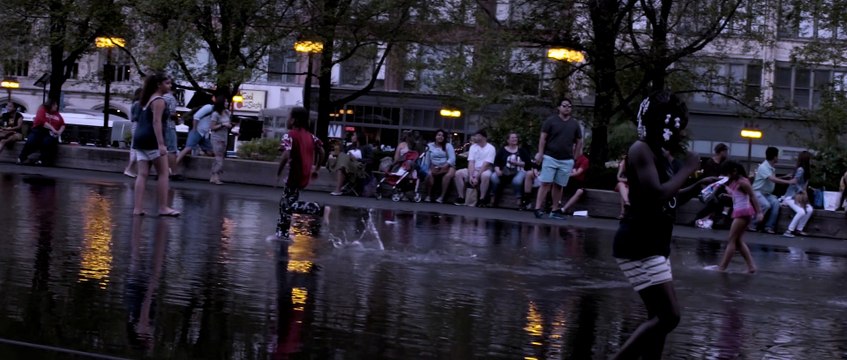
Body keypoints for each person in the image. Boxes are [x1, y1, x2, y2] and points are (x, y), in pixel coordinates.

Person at [612, 91, 714, 359]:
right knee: (669, 317)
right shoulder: (641, 150)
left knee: (658, 317)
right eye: (678, 127)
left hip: (654, 243)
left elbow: (668, 198)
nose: (682, 134)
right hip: (639, 244)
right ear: (663, 125)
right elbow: (657, 194)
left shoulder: (657, 153)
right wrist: (687, 169)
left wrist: (696, 187)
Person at [131, 73, 179, 217]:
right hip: (152, 140)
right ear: (159, 85)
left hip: (139, 139)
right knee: (164, 173)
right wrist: (161, 144)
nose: (170, 86)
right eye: (167, 83)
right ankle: (163, 207)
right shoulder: (159, 100)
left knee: (142, 174)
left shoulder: (145, 99)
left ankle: (137, 208)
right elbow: (156, 122)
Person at [275, 107, 325, 239]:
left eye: (288, 117)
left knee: (286, 205)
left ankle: (317, 208)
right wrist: (316, 169)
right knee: (288, 203)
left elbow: (286, 155)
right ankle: (282, 233)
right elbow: (321, 151)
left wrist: (278, 172)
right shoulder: (310, 136)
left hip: (293, 175)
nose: (287, 120)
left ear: (293, 120)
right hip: (304, 175)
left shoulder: (289, 135)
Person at [533, 98, 583, 219]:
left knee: (559, 185)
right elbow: (543, 138)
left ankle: (554, 210)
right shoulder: (551, 121)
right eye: (564, 106)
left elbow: (579, 141)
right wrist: (541, 153)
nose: (567, 108)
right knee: (545, 182)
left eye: (569, 106)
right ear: (559, 107)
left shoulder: (574, 124)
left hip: (566, 159)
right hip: (550, 156)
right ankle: (538, 208)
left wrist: (575, 156)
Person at [711, 160, 761, 273]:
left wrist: (759, 212)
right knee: (737, 241)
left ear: (734, 171)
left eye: (727, 173)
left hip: (743, 213)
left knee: (732, 240)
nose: (726, 176)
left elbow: (753, 196)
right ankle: (751, 266)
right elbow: (736, 194)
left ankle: (722, 267)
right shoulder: (734, 180)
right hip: (741, 212)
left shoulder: (743, 182)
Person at [749, 146, 795, 234]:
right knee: (766, 205)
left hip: (767, 194)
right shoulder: (763, 167)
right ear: (774, 157)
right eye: (777, 156)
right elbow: (772, 179)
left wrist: (785, 177)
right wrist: (789, 182)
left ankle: (769, 226)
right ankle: (752, 224)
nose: (778, 158)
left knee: (776, 203)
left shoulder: (770, 167)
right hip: (757, 192)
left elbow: (772, 178)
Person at [453, 129, 496, 206]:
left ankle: (482, 199)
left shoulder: (491, 148)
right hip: (474, 170)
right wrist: (471, 176)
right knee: (458, 173)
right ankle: (461, 197)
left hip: (485, 170)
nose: (475, 137)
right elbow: (471, 162)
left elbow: (486, 164)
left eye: (477, 136)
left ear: (483, 137)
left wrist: (477, 177)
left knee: (485, 176)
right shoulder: (473, 147)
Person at [489, 132, 531, 208]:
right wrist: (497, 170)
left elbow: (528, 163)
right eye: (512, 138)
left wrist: (517, 163)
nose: (515, 139)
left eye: (516, 137)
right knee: (493, 177)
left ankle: (519, 199)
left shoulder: (521, 150)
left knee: (517, 181)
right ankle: (493, 196)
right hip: (504, 172)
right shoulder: (502, 150)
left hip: (518, 171)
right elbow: (496, 162)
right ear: (508, 140)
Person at [692, 143, 731, 226]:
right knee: (714, 202)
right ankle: (699, 218)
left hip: (719, 187)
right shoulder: (710, 162)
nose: (727, 154)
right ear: (721, 152)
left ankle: (716, 220)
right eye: (725, 151)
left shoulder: (724, 163)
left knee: (722, 200)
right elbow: (709, 177)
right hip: (709, 188)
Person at [18, 99, 65, 166]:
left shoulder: (57, 114)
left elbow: (63, 124)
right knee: (31, 140)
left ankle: (42, 160)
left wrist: (59, 132)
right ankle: (22, 158)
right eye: (55, 105)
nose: (56, 106)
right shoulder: (42, 110)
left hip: (51, 133)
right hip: (39, 129)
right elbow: (42, 121)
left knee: (47, 142)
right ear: (50, 105)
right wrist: (53, 129)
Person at [175, 95, 215, 166]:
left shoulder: (214, 110)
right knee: (188, 148)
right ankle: (173, 165)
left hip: (203, 134)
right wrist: (194, 129)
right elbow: (196, 117)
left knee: (210, 151)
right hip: (198, 131)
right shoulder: (209, 107)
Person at [329, 130, 371, 196]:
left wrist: (356, 159)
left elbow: (370, 160)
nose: (351, 137)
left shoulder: (366, 147)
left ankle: (338, 189)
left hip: (358, 167)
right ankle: (338, 189)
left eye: (353, 135)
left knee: (342, 162)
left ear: (358, 137)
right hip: (346, 167)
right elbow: (342, 155)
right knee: (341, 163)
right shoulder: (350, 147)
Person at [782, 151, 813, 237]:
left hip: (800, 197)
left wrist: (805, 196)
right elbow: (794, 182)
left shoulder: (806, 171)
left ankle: (799, 229)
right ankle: (789, 231)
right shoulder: (800, 170)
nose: (811, 161)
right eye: (810, 159)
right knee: (801, 211)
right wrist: (801, 190)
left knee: (810, 209)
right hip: (791, 196)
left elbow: (804, 186)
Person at [423, 129, 456, 203]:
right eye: (439, 135)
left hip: (447, 166)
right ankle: (428, 195)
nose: (441, 137)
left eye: (442, 136)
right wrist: (428, 168)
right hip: (434, 166)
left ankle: (442, 197)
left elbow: (452, 158)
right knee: (429, 174)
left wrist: (445, 166)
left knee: (447, 176)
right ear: (435, 136)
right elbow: (427, 159)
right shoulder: (429, 146)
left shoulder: (448, 145)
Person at [209, 98, 232, 185]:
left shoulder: (227, 112)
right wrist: (222, 125)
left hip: (224, 137)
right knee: (219, 158)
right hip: (217, 138)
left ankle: (212, 176)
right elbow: (212, 127)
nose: (227, 103)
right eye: (225, 101)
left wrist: (230, 126)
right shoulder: (215, 114)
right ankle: (216, 176)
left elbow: (229, 124)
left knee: (219, 158)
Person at [161, 86, 183, 181]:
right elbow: (172, 114)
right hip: (169, 125)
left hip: (161, 126)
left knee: (161, 150)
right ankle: (174, 173)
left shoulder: (160, 97)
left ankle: (161, 172)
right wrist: (178, 120)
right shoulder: (171, 98)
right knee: (172, 150)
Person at [123, 88, 144, 178]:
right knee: (135, 148)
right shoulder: (138, 104)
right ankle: (129, 168)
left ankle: (131, 169)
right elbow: (136, 117)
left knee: (135, 147)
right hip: (138, 125)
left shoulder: (134, 104)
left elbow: (132, 118)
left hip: (135, 125)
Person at [614, 154, 630, 219]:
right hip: (621, 184)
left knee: (625, 190)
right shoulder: (624, 162)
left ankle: (622, 213)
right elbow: (618, 177)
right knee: (621, 185)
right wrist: (627, 180)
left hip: (630, 186)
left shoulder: (637, 164)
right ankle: (627, 202)